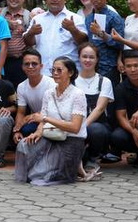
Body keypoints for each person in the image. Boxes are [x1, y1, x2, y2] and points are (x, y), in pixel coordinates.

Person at [14, 56, 86, 186]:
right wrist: (37, 132)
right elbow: (43, 120)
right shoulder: (49, 93)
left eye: (59, 70)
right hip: (51, 136)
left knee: (44, 176)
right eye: (53, 70)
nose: (55, 73)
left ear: (70, 73)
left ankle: (74, 167)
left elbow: (75, 127)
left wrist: (46, 119)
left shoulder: (78, 94)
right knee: (24, 145)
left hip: (71, 140)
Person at [23, 0, 85, 75]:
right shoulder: (38, 19)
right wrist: (31, 33)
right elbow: (28, 43)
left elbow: (84, 42)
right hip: (43, 72)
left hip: (68, 73)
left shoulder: (75, 18)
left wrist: (73, 29)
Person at [73, 43, 113, 173]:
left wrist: (82, 126)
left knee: (95, 129)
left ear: (97, 59)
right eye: (84, 56)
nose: (87, 60)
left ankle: (94, 158)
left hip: (97, 125)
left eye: (91, 57)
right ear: (79, 58)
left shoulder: (104, 81)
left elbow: (100, 108)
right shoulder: (71, 81)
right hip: (74, 124)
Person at [81, 0, 125, 80]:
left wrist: (101, 33)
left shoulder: (114, 17)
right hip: (91, 66)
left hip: (109, 67)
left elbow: (120, 43)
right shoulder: (88, 18)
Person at [12, 48, 54, 141]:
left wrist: (30, 117)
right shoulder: (21, 86)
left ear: (41, 66)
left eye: (34, 64)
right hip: (36, 120)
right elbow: (21, 112)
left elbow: (52, 110)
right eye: (27, 64)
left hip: (52, 119)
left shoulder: (50, 83)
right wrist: (17, 130)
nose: (30, 66)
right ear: (22, 67)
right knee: (25, 130)